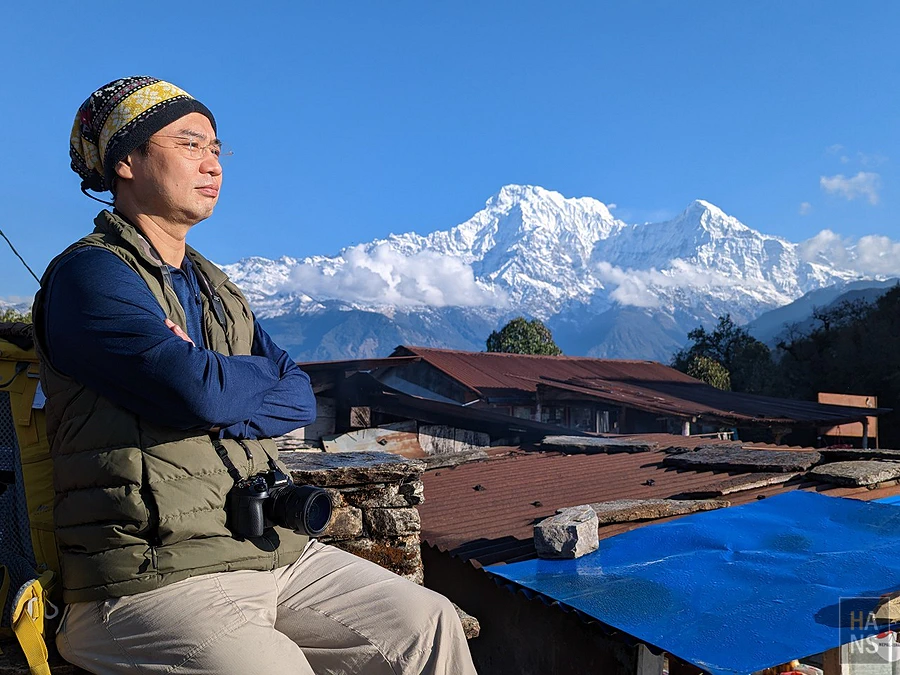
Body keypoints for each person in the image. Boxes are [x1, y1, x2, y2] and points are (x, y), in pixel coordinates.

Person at [33, 76, 477, 675]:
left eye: (217, 149)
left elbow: (296, 394)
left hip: (272, 549)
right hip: (148, 576)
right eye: (189, 144)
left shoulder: (217, 289)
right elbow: (197, 389)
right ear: (125, 162)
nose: (212, 163)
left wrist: (214, 382)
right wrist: (221, 383)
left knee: (426, 623)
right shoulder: (91, 278)